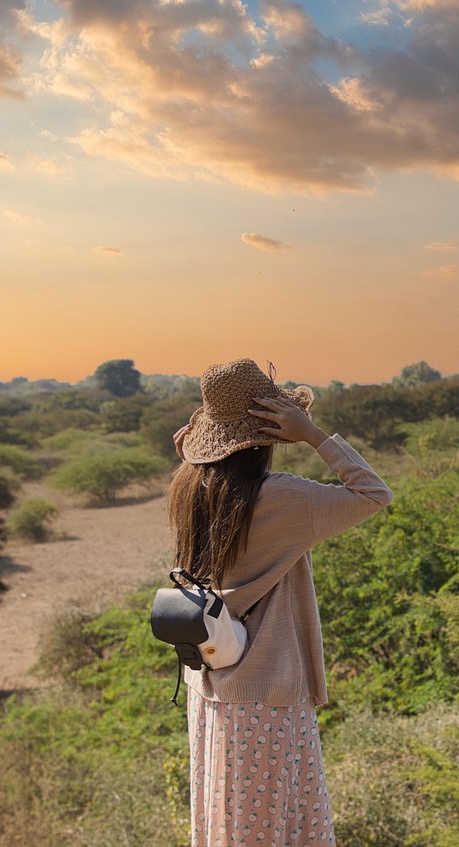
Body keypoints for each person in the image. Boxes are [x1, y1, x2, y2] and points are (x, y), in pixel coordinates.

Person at [167, 359, 392, 846]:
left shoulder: (190, 488)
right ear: (266, 435)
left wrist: (190, 461)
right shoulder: (282, 497)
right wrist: (314, 435)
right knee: (274, 827)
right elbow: (374, 494)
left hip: (209, 683)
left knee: (227, 823)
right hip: (266, 693)